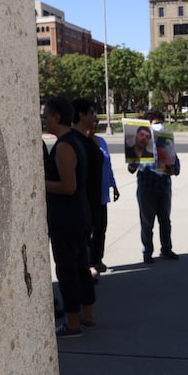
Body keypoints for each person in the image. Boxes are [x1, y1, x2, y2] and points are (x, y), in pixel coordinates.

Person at [43, 97, 96, 338]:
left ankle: (72, 324)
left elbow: (68, 186)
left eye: (46, 115)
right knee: (81, 266)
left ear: (56, 118)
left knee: (68, 270)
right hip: (79, 214)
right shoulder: (77, 140)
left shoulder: (65, 146)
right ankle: (87, 316)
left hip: (67, 217)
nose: (43, 119)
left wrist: (40, 183)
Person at [128, 111, 180, 263]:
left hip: (163, 187)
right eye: (155, 123)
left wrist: (173, 170)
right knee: (147, 222)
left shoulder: (166, 142)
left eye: (160, 123)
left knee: (165, 221)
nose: (159, 126)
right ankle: (147, 251)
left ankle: (166, 248)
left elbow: (176, 165)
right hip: (146, 187)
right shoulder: (139, 144)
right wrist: (133, 162)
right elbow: (131, 169)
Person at [72, 99, 105, 281]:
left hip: (94, 201)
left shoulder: (88, 140)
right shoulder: (74, 142)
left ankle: (88, 269)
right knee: (81, 244)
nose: (94, 116)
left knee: (92, 237)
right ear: (81, 115)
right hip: (83, 203)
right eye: (91, 112)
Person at [88, 115, 119, 274]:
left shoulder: (102, 141)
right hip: (88, 196)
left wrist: (113, 185)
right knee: (89, 231)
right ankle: (88, 264)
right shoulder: (82, 143)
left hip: (102, 193)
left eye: (96, 124)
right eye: (91, 123)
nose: (94, 126)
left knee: (101, 229)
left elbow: (108, 165)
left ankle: (97, 260)